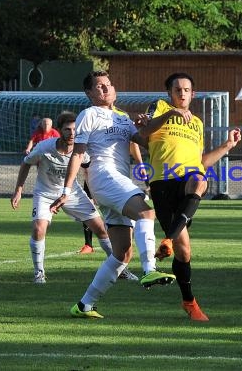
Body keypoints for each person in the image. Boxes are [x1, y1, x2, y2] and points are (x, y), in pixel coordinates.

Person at [50, 71, 175, 319]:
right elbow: (77, 153)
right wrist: (66, 190)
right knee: (146, 212)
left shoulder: (123, 119)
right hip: (104, 176)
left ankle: (84, 305)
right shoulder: (89, 114)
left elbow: (147, 142)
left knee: (122, 253)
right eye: (99, 86)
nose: (105, 89)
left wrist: (152, 122)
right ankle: (149, 269)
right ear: (89, 94)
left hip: (118, 180)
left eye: (108, 85)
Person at [137, 72, 242, 321]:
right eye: (177, 89)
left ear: (192, 94)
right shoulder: (160, 108)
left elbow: (201, 162)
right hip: (162, 182)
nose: (182, 93)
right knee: (184, 254)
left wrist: (227, 146)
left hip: (187, 180)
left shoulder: (196, 123)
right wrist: (171, 114)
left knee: (199, 179)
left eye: (186, 90)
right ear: (169, 93)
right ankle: (189, 301)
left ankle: (168, 241)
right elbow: (144, 132)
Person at [10, 111, 138, 284]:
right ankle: (39, 273)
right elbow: (26, 163)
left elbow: (88, 170)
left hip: (72, 193)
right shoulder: (44, 147)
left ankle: (121, 270)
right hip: (45, 193)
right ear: (59, 131)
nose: (72, 134)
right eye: (67, 130)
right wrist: (18, 189)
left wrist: (94, 193)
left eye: (75, 130)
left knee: (100, 228)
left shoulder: (82, 152)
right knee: (39, 228)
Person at [78, 142, 149, 254]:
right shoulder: (90, 128)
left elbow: (134, 141)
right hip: (98, 176)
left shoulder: (124, 125)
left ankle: (140, 267)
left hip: (118, 177)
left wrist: (140, 164)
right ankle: (88, 244)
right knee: (146, 214)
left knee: (123, 252)